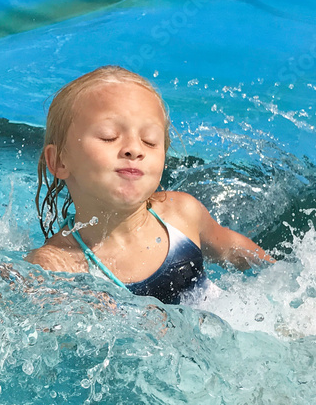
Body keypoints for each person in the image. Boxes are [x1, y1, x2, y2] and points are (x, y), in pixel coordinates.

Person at [25, 65, 272, 304]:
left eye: (150, 141)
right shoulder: (56, 267)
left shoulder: (181, 214)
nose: (134, 149)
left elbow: (258, 264)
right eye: (109, 136)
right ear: (58, 161)